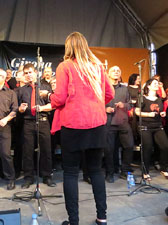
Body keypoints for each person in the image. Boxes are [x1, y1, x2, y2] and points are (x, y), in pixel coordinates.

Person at [49, 32, 114, 225]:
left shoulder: (65, 66)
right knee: (95, 171)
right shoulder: (97, 66)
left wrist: (50, 99)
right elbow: (109, 93)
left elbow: (59, 98)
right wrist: (94, 103)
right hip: (97, 123)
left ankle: (73, 221)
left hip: (73, 124)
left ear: (68, 47)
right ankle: (102, 218)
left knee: (70, 173)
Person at [17, 63, 55, 189]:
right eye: (26, 73)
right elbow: (17, 108)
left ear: (36, 73)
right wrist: (21, 109)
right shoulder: (21, 90)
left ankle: (47, 176)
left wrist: (42, 108)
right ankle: (28, 177)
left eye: (30, 72)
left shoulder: (45, 87)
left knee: (46, 149)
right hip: (28, 122)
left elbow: (53, 104)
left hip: (43, 120)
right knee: (27, 151)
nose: (28, 75)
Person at [135, 78, 168, 180]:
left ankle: (163, 168)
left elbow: (160, 111)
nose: (157, 85)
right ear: (148, 86)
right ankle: (145, 171)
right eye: (154, 83)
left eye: (157, 84)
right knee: (147, 148)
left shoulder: (159, 98)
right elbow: (137, 112)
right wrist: (148, 114)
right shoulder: (142, 98)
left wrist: (162, 113)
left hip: (158, 126)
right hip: (145, 126)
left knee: (165, 147)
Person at [104, 66, 134, 182]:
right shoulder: (104, 88)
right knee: (109, 150)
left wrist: (124, 105)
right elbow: (96, 103)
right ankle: (109, 173)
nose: (116, 72)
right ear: (108, 74)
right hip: (109, 122)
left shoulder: (125, 89)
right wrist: (105, 109)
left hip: (122, 121)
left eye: (118, 71)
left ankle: (125, 170)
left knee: (129, 146)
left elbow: (130, 104)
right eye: (113, 70)